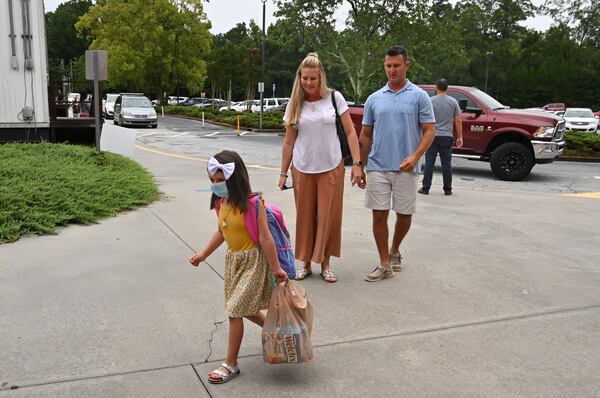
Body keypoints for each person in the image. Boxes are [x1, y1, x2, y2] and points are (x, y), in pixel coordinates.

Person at [189, 150, 288, 384]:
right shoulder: (221, 203)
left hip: (254, 262)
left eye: (220, 180)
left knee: (235, 310)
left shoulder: (254, 204)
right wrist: (202, 254)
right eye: (213, 181)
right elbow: (221, 232)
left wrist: (276, 268)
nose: (216, 185)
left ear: (235, 179)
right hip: (234, 262)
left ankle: (230, 364)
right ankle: (275, 329)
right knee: (244, 307)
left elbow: (265, 237)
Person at [279, 52, 362, 283]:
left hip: (331, 166)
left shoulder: (335, 98)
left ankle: (325, 263)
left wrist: (356, 164)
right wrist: (283, 172)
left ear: (321, 76)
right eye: (304, 78)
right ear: (300, 77)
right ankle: (305, 263)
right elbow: (288, 141)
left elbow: (350, 132)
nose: (308, 83)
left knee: (327, 216)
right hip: (303, 167)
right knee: (305, 217)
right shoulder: (295, 103)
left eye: (313, 78)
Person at [358, 45, 435, 282]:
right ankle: (384, 263)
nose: (391, 70)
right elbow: (365, 135)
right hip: (378, 166)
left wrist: (415, 156)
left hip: (406, 168)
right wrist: (359, 165)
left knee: (404, 214)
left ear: (406, 66)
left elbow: (430, 131)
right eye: (388, 66)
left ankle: (395, 249)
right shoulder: (374, 99)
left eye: (396, 66)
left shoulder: (419, 96)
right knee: (378, 215)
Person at [419, 78, 463, 195]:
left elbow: (423, 118)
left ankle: (425, 188)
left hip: (432, 135)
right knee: (446, 163)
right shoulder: (453, 102)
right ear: (447, 88)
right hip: (446, 137)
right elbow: (458, 121)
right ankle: (447, 189)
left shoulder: (430, 101)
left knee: (429, 162)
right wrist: (459, 137)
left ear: (436, 87)